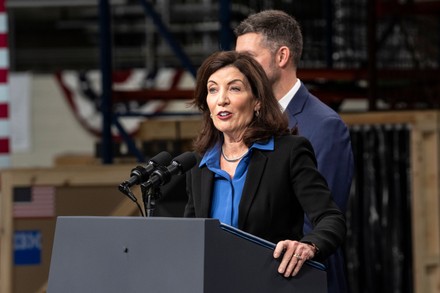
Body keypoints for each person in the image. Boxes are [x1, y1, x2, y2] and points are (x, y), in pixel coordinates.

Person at [184, 50, 346, 277]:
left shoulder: (288, 152)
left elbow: (331, 218)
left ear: (257, 101)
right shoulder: (200, 164)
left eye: (234, 88)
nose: (222, 99)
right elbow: (190, 238)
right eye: (213, 90)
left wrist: (308, 246)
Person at [234, 10, 354, 293]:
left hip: (298, 280)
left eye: (249, 59)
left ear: (282, 56)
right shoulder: (241, 121)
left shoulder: (324, 126)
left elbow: (322, 222)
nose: (239, 69)